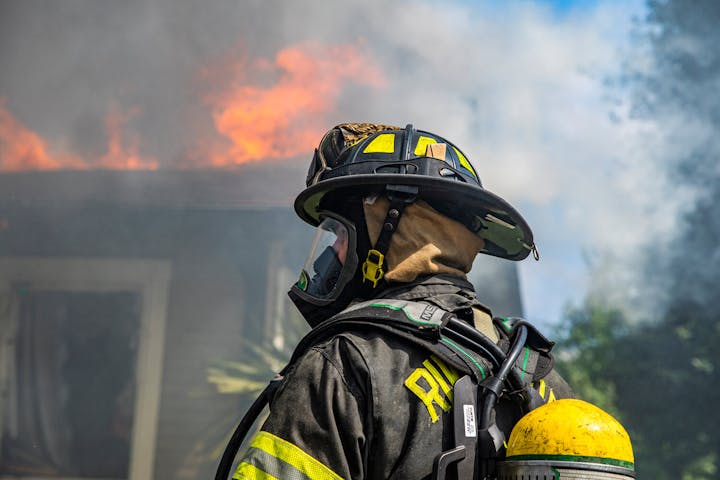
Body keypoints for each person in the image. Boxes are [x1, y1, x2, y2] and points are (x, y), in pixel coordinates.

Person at [231, 123, 574, 480]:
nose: (333, 251)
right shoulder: (539, 378)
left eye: (340, 233)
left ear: (391, 231)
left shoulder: (346, 366)